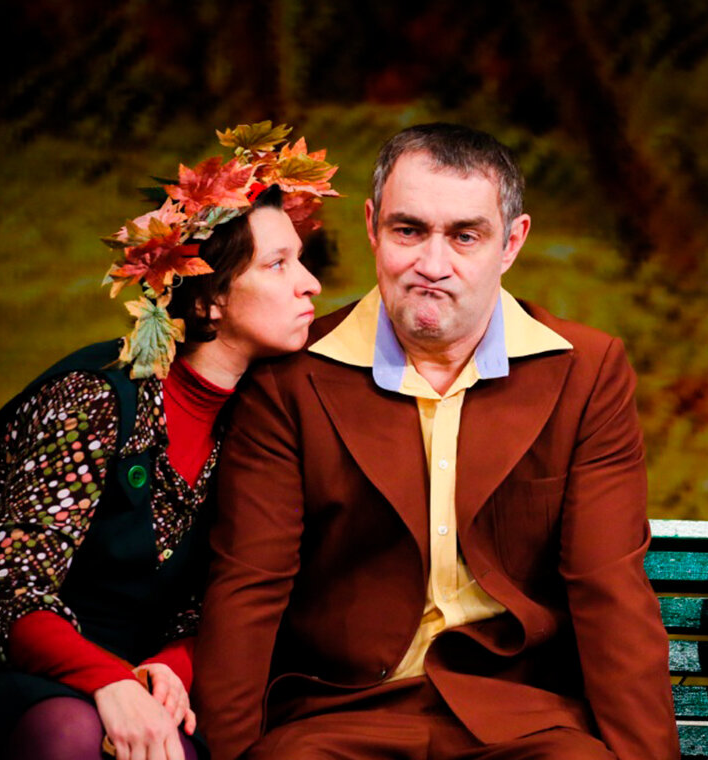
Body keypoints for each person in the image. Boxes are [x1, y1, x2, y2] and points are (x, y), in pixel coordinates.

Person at [193, 123, 680, 760]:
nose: (432, 265)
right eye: (409, 230)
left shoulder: (585, 372)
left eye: (465, 236)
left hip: (523, 721)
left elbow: (608, 591)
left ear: (511, 242)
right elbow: (250, 586)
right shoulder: (290, 379)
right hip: (337, 718)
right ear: (373, 227)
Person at [0, 122, 337, 760]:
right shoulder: (95, 397)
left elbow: (227, 595)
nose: (310, 284)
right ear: (209, 299)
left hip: (144, 682)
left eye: (302, 260)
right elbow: (6, 593)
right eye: (278, 264)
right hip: (11, 670)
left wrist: (170, 667)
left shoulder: (259, 420)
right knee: (73, 733)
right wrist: (111, 681)